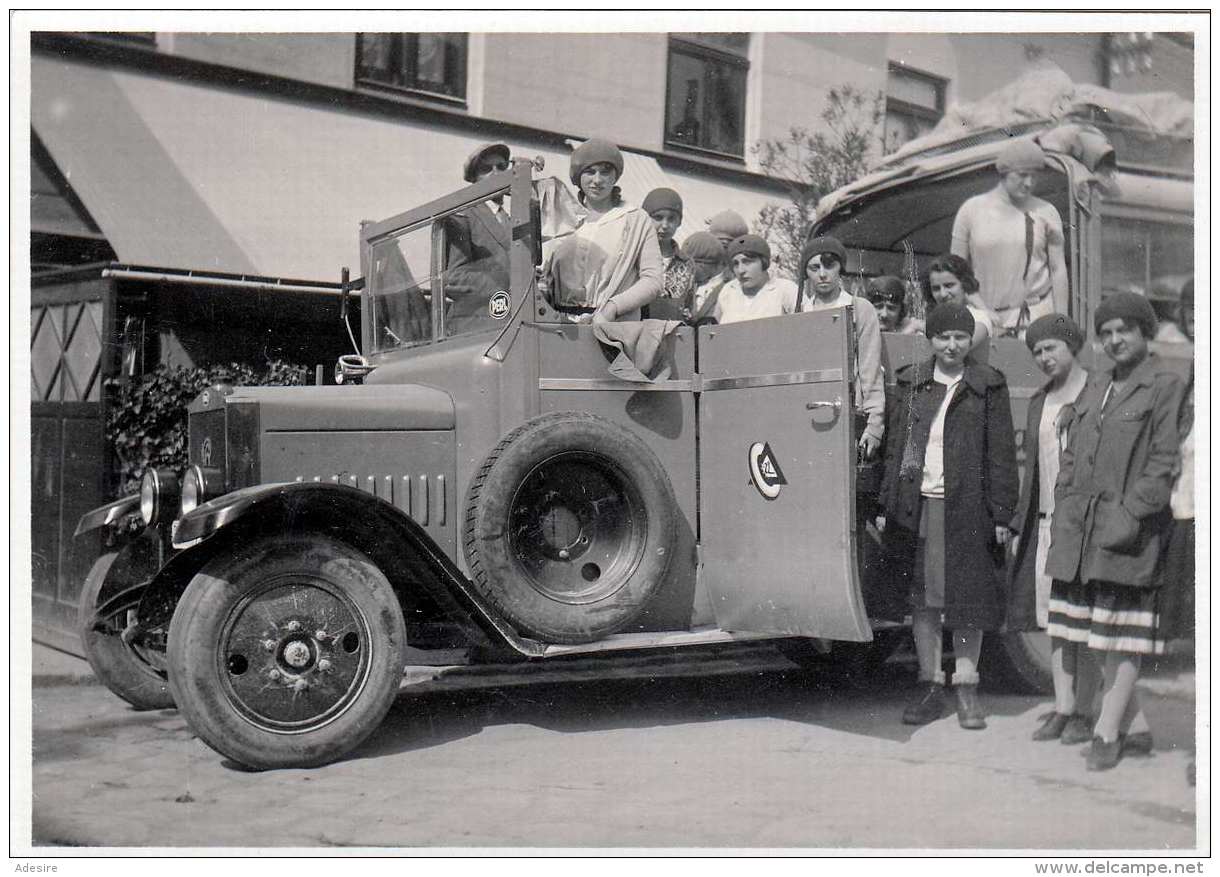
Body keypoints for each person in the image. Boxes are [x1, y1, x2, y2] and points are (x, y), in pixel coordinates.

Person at [1044, 291, 1185, 771]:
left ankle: (1107, 731)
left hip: (1132, 529)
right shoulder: (1096, 385)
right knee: (1099, 630)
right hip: (1085, 528)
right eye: (1105, 333)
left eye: (1125, 329)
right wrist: (1066, 496)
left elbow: (1165, 461)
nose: (1115, 339)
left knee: (1121, 634)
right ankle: (1138, 728)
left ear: (1146, 332)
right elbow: (1072, 450)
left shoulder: (1166, 384)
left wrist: (1130, 514)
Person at [876, 302, 1018, 730]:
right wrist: (889, 502)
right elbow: (902, 447)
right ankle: (930, 684)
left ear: (970, 340)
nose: (952, 345)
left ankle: (967, 688)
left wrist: (1001, 513)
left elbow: (1001, 454)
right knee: (923, 602)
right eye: (943, 337)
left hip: (968, 510)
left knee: (967, 601)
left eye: (960, 337)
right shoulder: (913, 382)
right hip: (922, 507)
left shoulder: (987, 385)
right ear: (930, 339)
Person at [1006, 314, 1098, 744]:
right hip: (1046, 522)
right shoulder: (1039, 401)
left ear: (1071, 345)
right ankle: (1064, 708)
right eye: (1037, 351)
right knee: (1056, 621)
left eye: (1051, 348)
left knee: (1087, 621)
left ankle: (1087, 710)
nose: (1044, 358)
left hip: (1085, 526)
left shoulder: (1097, 393)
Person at [951, 138, 1069, 334]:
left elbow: (1058, 270)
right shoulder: (971, 210)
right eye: (1022, 175)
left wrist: (1061, 322)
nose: (1029, 183)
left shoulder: (1047, 212)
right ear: (1004, 173)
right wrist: (982, 309)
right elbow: (955, 270)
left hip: (1035, 316)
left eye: (1035, 176)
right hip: (983, 317)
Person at [542, 139, 661, 323]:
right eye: (590, 172)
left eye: (605, 172)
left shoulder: (635, 219)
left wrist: (613, 308)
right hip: (560, 326)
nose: (597, 180)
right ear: (578, 176)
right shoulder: (560, 217)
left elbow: (653, 280)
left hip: (612, 327)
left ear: (615, 176)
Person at [797, 236, 885, 460]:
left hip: (846, 414)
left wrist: (875, 423)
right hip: (806, 414)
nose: (823, 274)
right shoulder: (800, 313)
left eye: (829, 265)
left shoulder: (859, 309)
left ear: (840, 269)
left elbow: (870, 369)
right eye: (814, 267)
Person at [442, 142, 514, 335]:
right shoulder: (462, 216)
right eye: (486, 169)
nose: (496, 173)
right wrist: (506, 285)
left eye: (501, 167)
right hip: (475, 327)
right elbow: (453, 277)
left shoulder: (514, 219)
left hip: (511, 321)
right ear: (474, 178)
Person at [705, 234, 799, 324]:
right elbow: (715, 332)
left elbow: (807, 325)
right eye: (736, 264)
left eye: (747, 262)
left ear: (764, 262)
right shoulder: (728, 291)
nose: (741, 270)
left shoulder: (786, 290)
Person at [642, 187, 696, 321]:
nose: (665, 225)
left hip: (673, 333)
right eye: (658, 218)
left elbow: (689, 304)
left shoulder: (687, 263)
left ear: (679, 222)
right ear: (645, 218)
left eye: (671, 219)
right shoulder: (634, 256)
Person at [921, 255, 991, 356]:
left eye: (949, 285)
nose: (943, 294)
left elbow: (958, 347)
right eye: (936, 288)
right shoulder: (930, 317)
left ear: (964, 284)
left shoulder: (979, 317)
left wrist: (921, 327)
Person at [684, 231, 729, 324]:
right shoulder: (692, 287)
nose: (685, 272)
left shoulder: (730, 289)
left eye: (688, 266)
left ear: (702, 264)